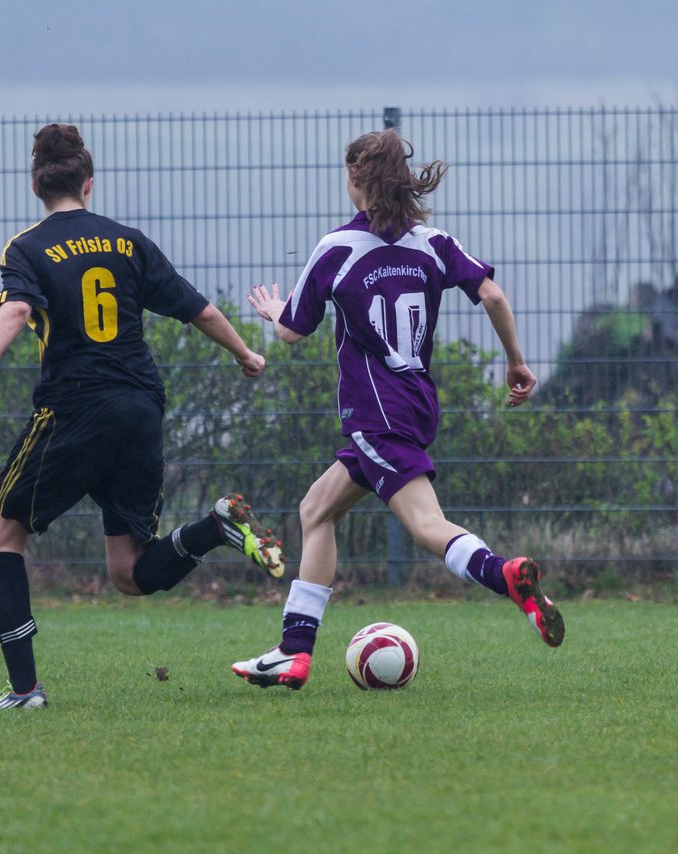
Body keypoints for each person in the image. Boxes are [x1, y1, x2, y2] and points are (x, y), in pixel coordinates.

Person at [0, 123, 284, 709]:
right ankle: (215, 528)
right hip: (139, 408)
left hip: (74, 409)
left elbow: (17, 309)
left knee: (2, 539)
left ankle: (25, 691)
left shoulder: (27, 247)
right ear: (89, 182)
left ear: (36, 186)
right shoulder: (127, 242)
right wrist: (245, 353)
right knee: (128, 572)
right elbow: (197, 308)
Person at [232, 128, 563, 691]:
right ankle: (294, 651)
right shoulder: (433, 243)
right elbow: (494, 295)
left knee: (426, 525)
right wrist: (516, 361)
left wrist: (271, 311)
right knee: (316, 510)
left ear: (356, 180)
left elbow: (291, 332)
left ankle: (505, 575)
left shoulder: (337, 247)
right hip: (413, 405)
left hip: (374, 414)